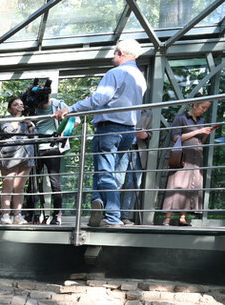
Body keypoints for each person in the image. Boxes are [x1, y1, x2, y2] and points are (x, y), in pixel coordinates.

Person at [55, 39, 147, 228]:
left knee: (104, 172)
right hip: (128, 130)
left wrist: (70, 109)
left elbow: (100, 99)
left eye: (114, 53)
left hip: (109, 128)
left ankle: (112, 217)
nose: (113, 57)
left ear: (120, 53)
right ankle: (98, 203)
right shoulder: (139, 76)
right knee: (108, 172)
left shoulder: (116, 72)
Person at [162, 100, 214, 227]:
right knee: (176, 184)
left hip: (196, 157)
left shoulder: (201, 121)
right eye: (203, 107)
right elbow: (175, 138)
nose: (204, 110)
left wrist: (206, 133)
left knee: (192, 186)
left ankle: (182, 217)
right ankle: (167, 219)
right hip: (183, 157)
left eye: (207, 108)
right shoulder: (181, 119)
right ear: (195, 105)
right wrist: (197, 131)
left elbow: (201, 140)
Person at [26, 86, 69, 225]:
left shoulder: (59, 105)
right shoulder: (34, 107)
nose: (42, 104)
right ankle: (32, 215)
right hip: (36, 148)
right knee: (33, 182)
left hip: (53, 148)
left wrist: (63, 134)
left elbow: (74, 120)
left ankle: (57, 215)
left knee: (54, 181)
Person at [0, 96, 35, 225]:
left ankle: (18, 215)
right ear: (9, 108)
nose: (19, 106)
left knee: (20, 187)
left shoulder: (27, 120)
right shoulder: (5, 119)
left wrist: (28, 122)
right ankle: (5, 215)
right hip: (10, 156)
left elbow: (34, 135)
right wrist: (18, 118)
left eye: (21, 104)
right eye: (15, 104)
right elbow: (8, 131)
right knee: (8, 186)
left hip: (26, 155)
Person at [120, 109, 151, 225]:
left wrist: (145, 134)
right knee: (118, 180)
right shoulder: (125, 107)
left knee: (134, 184)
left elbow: (150, 134)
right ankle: (111, 214)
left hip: (138, 151)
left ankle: (125, 216)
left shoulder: (148, 113)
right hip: (123, 148)